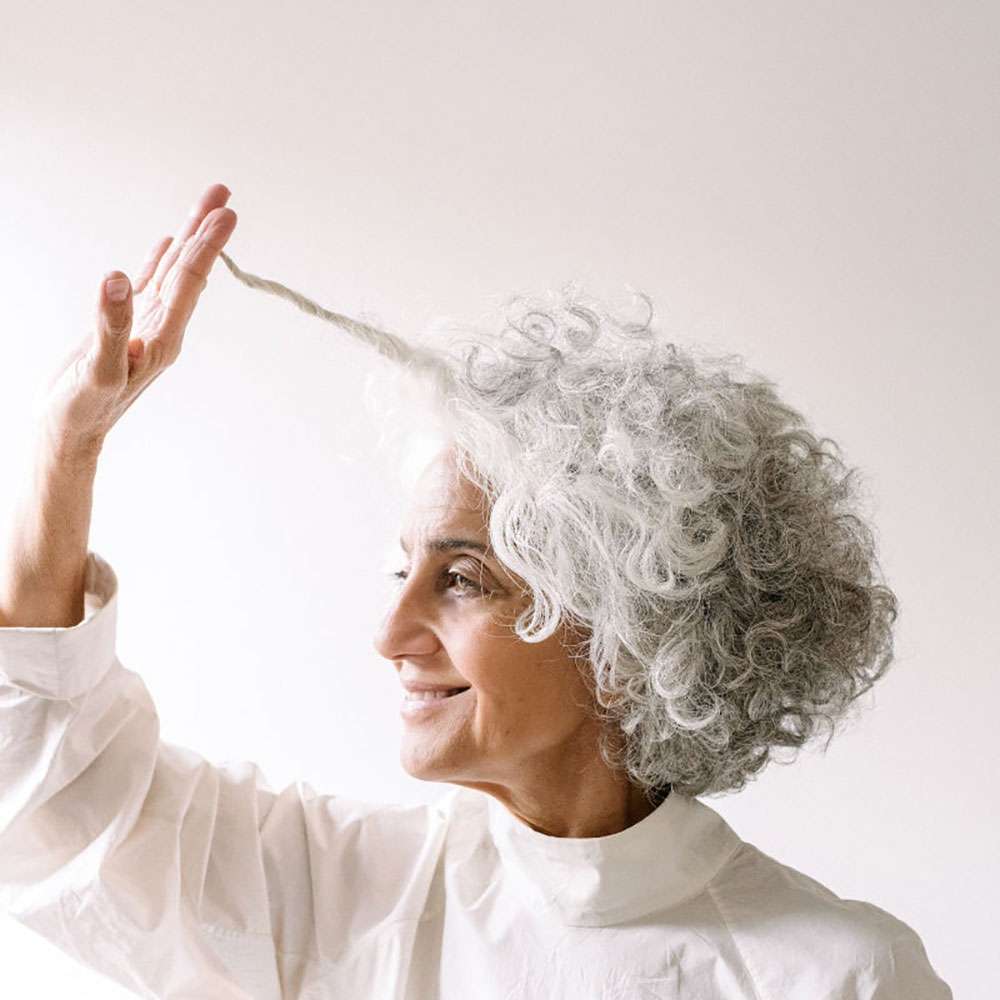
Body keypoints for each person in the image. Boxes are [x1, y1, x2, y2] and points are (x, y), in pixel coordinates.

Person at [0, 182, 952, 999]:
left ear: (631, 640)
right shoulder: (350, 897)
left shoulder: (836, 978)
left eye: (462, 579)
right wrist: (65, 448)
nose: (390, 631)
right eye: (399, 568)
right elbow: (49, 804)